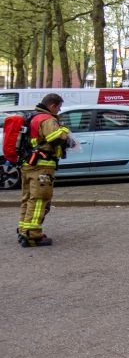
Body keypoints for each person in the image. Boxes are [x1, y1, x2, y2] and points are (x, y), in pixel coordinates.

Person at [17, 93, 73, 248]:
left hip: (28, 165)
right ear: (53, 105)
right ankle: (33, 235)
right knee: (40, 199)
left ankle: (23, 230)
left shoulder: (32, 117)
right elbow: (56, 139)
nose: (59, 110)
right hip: (42, 167)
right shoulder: (47, 119)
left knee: (28, 199)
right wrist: (65, 130)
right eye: (59, 107)